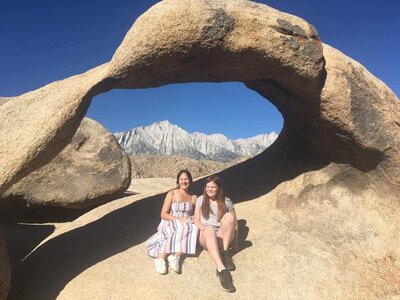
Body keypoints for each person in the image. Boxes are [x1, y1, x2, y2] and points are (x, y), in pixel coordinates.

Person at [146, 169, 198, 275]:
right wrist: (178, 220)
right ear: (178, 181)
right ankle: (161, 258)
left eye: (186, 179)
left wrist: (189, 219)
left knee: (193, 227)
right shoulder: (172, 194)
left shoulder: (194, 197)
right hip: (170, 220)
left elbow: (195, 214)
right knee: (180, 226)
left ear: (190, 181)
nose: (184, 181)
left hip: (186, 223)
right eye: (181, 179)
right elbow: (163, 214)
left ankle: (175, 257)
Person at [194, 176, 238, 293]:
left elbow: (235, 223)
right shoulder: (200, 200)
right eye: (207, 187)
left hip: (223, 237)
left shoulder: (227, 201)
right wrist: (204, 228)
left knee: (229, 217)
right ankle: (221, 269)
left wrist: (236, 243)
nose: (210, 189)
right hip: (207, 236)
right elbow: (196, 220)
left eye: (213, 186)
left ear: (219, 188)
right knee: (210, 229)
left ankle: (225, 252)